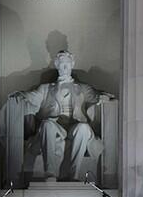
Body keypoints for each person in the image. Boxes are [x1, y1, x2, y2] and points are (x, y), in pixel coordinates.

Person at [8, 50, 109, 181]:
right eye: (62, 63)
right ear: (57, 65)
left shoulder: (82, 88)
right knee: (47, 125)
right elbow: (32, 96)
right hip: (56, 127)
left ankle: (74, 175)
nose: (65, 66)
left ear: (72, 64)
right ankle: (50, 174)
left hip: (75, 127)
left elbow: (95, 96)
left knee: (83, 128)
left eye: (67, 63)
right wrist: (22, 95)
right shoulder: (46, 88)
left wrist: (103, 97)